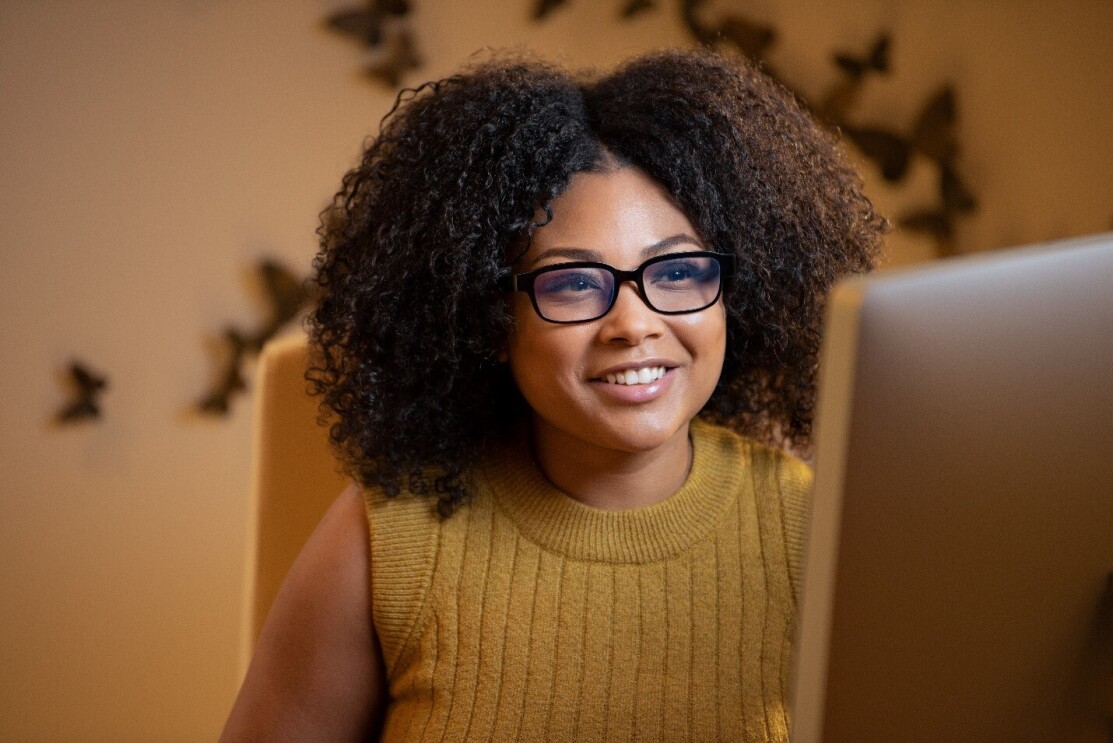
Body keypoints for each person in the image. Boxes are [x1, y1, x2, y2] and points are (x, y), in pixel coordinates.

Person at [221, 47, 885, 742]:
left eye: (679, 269)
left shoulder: (810, 531)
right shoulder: (389, 539)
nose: (634, 323)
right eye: (571, 282)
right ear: (487, 316)